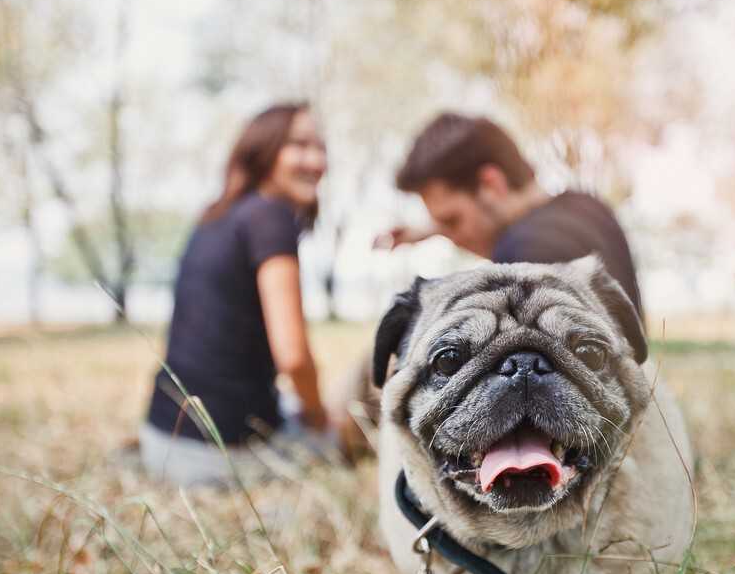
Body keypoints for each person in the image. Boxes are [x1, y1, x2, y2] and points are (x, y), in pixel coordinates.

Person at [140, 102, 337, 486]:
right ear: (262, 150)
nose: (315, 160)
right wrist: (319, 419)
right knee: (346, 424)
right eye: (298, 145)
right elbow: (294, 358)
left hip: (161, 439)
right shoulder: (271, 217)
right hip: (219, 457)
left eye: (320, 147)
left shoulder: (217, 215)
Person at [376, 112, 644, 316]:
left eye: (452, 220)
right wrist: (433, 228)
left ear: (491, 184)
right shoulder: (588, 206)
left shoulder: (521, 252)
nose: (453, 238)